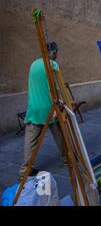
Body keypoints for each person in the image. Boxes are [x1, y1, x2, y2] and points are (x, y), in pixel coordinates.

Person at [19, 42, 66, 177]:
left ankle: (25, 169)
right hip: (51, 108)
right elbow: (57, 87)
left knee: (31, 140)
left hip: (34, 108)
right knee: (61, 135)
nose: (57, 54)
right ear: (53, 52)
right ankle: (66, 158)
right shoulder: (52, 65)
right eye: (56, 52)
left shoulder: (33, 64)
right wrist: (61, 104)